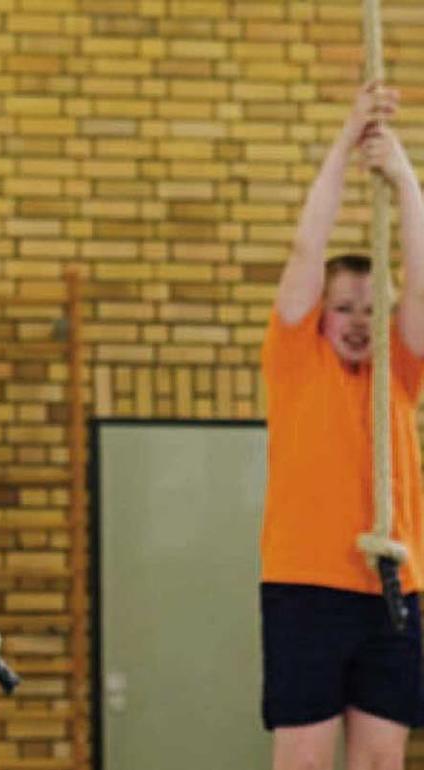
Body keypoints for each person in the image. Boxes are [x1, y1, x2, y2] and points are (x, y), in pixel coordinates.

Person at [261, 81, 424, 770]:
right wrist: (347, 137)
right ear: (319, 315)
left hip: (396, 585)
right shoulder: (297, 361)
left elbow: (421, 282)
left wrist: (406, 181)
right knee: (303, 759)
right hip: (309, 583)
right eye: (344, 307)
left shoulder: (400, 370)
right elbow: (307, 248)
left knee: (384, 759)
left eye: (370, 308)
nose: (359, 321)